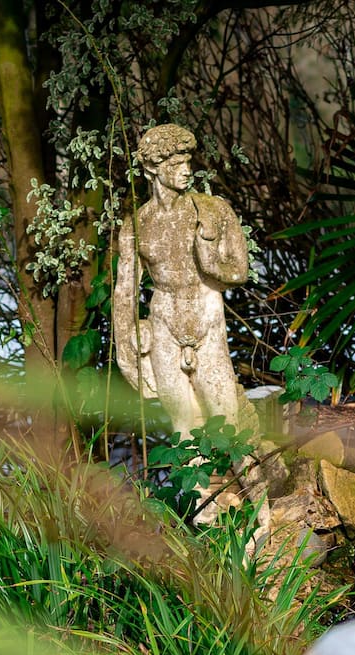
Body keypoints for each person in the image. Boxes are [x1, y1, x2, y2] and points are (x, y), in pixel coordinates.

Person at [110, 123, 251, 434]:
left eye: (188, 162)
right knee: (182, 426)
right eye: (176, 164)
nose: (187, 171)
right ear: (152, 168)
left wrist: (210, 263)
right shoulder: (137, 225)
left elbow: (240, 272)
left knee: (227, 419)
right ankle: (199, 484)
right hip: (163, 325)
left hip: (207, 319)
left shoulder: (213, 211)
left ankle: (245, 480)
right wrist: (125, 347)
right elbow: (124, 294)